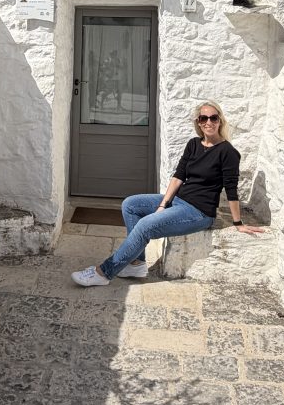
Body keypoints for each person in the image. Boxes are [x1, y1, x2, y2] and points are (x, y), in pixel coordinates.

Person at [71, 100, 265, 286]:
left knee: (145, 225)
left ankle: (104, 272)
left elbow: (231, 189)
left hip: (199, 212)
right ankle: (136, 264)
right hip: (179, 200)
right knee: (130, 204)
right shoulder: (193, 144)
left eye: (213, 118)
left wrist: (238, 223)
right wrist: (163, 204)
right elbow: (178, 176)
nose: (209, 122)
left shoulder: (228, 152)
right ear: (198, 122)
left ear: (220, 120)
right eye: (203, 118)